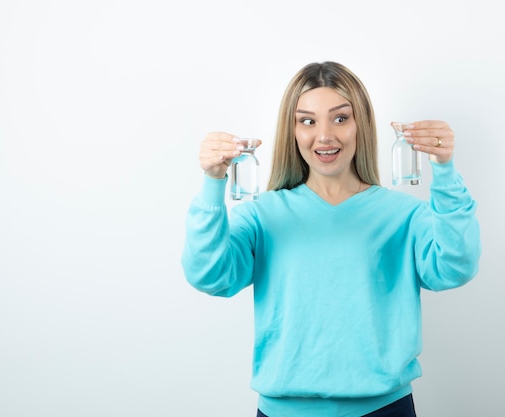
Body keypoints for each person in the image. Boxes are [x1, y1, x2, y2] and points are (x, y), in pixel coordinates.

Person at [182, 61, 481, 417]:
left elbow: (455, 267)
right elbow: (209, 275)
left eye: (340, 118)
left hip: (384, 408)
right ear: (292, 130)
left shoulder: (403, 215)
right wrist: (213, 182)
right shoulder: (261, 216)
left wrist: (444, 171)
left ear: (361, 126)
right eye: (307, 120)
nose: (324, 136)